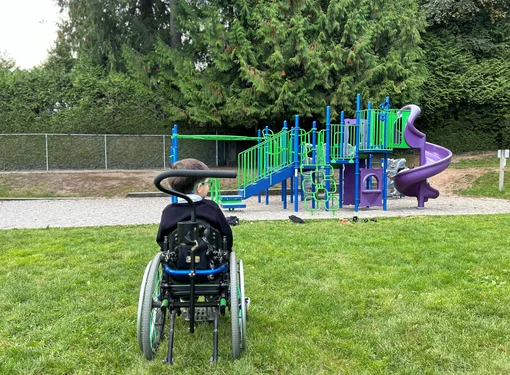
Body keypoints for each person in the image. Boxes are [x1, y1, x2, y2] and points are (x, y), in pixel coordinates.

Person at [156, 158, 233, 251]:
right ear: (200, 187)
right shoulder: (211, 208)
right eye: (208, 183)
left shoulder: (169, 211)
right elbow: (226, 235)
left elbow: (161, 239)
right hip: (210, 259)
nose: (209, 186)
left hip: (177, 260)